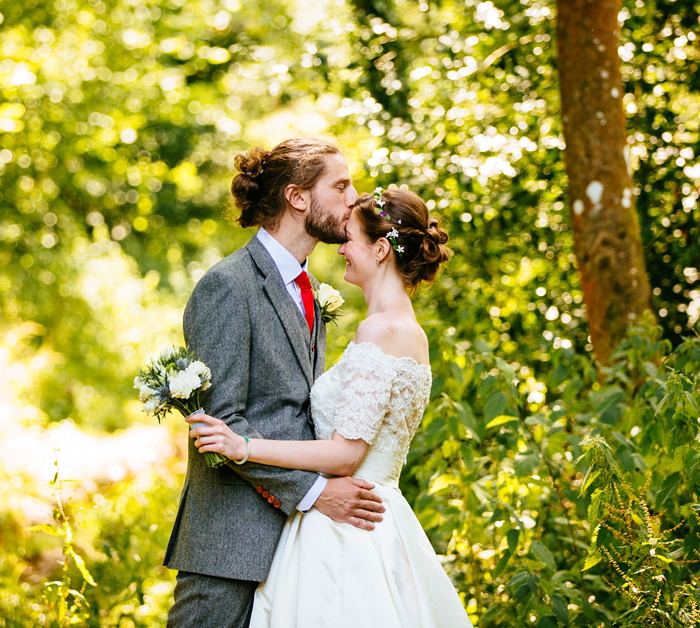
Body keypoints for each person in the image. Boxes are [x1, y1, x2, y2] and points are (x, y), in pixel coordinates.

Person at [188, 187, 472, 627]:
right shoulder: (403, 330)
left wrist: (242, 445)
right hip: (368, 515)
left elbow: (345, 455)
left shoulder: (382, 331)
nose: (341, 248)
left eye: (350, 240)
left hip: (348, 526)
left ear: (380, 250)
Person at [162, 138, 387, 628]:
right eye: (341, 185)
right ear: (298, 197)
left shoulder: (309, 289)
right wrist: (314, 492)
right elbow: (220, 426)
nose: (354, 199)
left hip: (301, 546)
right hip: (231, 545)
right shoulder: (229, 286)